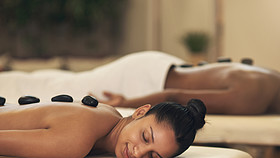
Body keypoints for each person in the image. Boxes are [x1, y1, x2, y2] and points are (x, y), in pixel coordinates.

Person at [1, 51, 279, 115]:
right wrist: (124, 103)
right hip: (145, 82)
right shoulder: (253, 96)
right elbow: (177, 96)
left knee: (64, 83)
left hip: (156, 66)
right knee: (62, 92)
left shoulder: (271, 76)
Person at [0, 98, 206, 158]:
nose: (138, 152)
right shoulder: (77, 140)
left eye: (153, 156)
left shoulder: (110, 115)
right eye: (145, 137)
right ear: (140, 112)